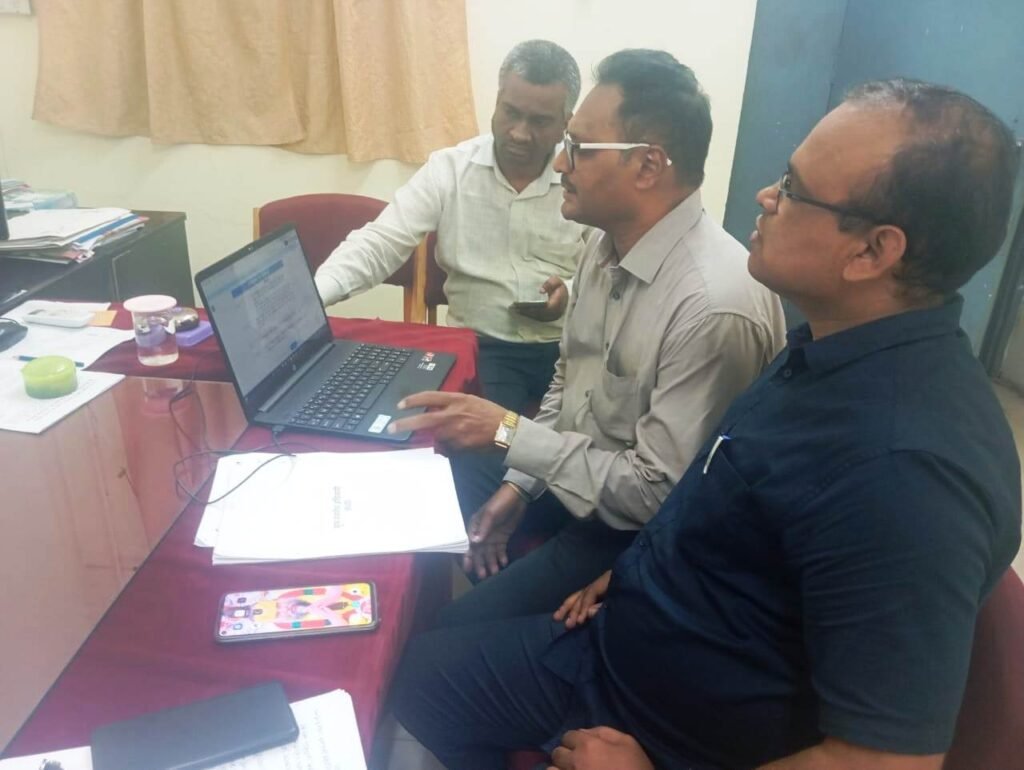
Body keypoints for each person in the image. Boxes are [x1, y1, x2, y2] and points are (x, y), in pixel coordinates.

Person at [390, 78, 1023, 770]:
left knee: (417, 682)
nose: (765, 196)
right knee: (426, 647)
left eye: (793, 188)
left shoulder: (905, 472)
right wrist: (640, 570)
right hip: (639, 624)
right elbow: (721, 481)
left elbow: (883, 763)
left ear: (872, 252)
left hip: (662, 722)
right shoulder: (834, 351)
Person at [388, 50, 785, 622]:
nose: (558, 164)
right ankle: (501, 619)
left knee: (435, 644)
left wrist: (507, 432)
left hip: (634, 536)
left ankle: (519, 634)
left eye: (576, 148)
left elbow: (656, 496)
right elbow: (568, 383)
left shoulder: (713, 306)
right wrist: (519, 487)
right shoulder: (605, 244)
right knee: (434, 468)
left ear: (647, 166)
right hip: (587, 488)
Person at [314, 40, 585, 424]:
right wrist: (313, 297)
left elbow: (613, 269)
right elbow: (381, 243)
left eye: (540, 121)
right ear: (497, 101)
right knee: (489, 445)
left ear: (566, 122)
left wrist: (570, 293)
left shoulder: (586, 178)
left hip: (572, 346)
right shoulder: (450, 170)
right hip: (483, 348)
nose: (520, 133)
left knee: (594, 442)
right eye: (511, 112)